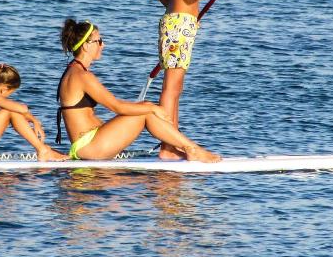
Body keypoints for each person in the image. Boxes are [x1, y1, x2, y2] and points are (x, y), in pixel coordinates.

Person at [56, 19, 221, 162]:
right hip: (90, 148)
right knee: (146, 112)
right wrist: (152, 107)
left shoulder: (74, 71)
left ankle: (175, 149)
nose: (103, 45)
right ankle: (191, 149)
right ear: (86, 46)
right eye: (99, 41)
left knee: (145, 107)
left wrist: (148, 106)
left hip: (87, 144)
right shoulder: (81, 76)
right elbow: (116, 106)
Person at [154, 0, 243, 158]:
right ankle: (166, 147)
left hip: (176, 24)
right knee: (171, 88)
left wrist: (184, 15)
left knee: (175, 87)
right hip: (179, 26)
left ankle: (172, 143)